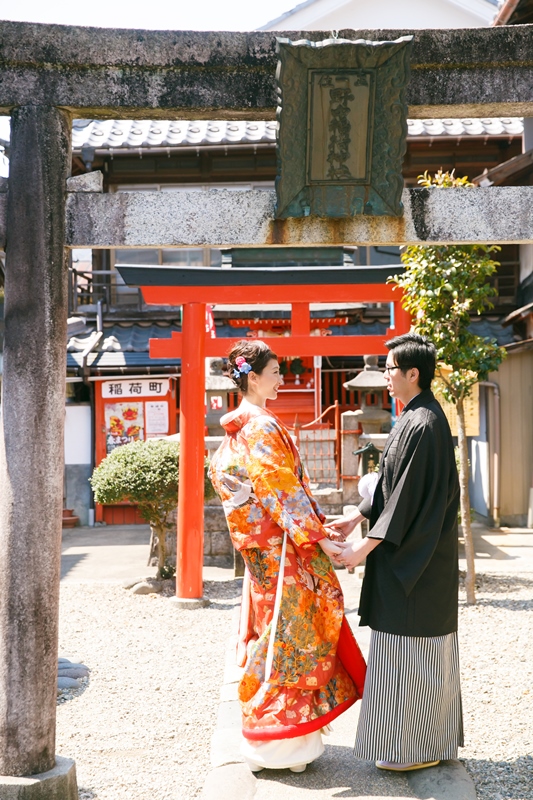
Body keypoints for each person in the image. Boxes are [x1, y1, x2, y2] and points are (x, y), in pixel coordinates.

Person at [209, 340, 366, 774]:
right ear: (253, 378)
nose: (283, 378)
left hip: (264, 551)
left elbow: (283, 491)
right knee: (291, 636)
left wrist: (319, 525)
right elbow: (281, 490)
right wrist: (317, 538)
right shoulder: (258, 427)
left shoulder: (241, 428)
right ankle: (282, 743)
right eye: (276, 371)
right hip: (282, 553)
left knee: (274, 631)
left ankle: (277, 742)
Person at [330, 332, 463, 772]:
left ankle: (414, 749)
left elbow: (407, 501)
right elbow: (390, 485)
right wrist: (357, 516)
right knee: (415, 655)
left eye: (390, 369)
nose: (385, 376)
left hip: (418, 566)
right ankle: (431, 742)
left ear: (413, 373)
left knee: (413, 655)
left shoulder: (423, 423)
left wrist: (362, 550)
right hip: (413, 559)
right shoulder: (413, 416)